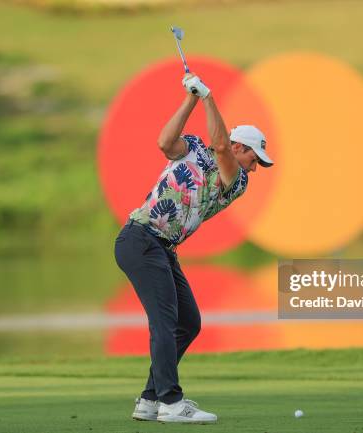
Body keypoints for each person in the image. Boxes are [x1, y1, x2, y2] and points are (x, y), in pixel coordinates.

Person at [114, 73, 273, 424]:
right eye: (254, 158)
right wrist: (191, 98)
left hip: (161, 247)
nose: (255, 168)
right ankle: (172, 401)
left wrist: (208, 96)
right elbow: (165, 143)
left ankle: (150, 398)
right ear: (239, 147)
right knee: (165, 321)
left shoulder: (236, 180)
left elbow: (219, 148)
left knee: (189, 322)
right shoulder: (196, 149)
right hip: (140, 238)